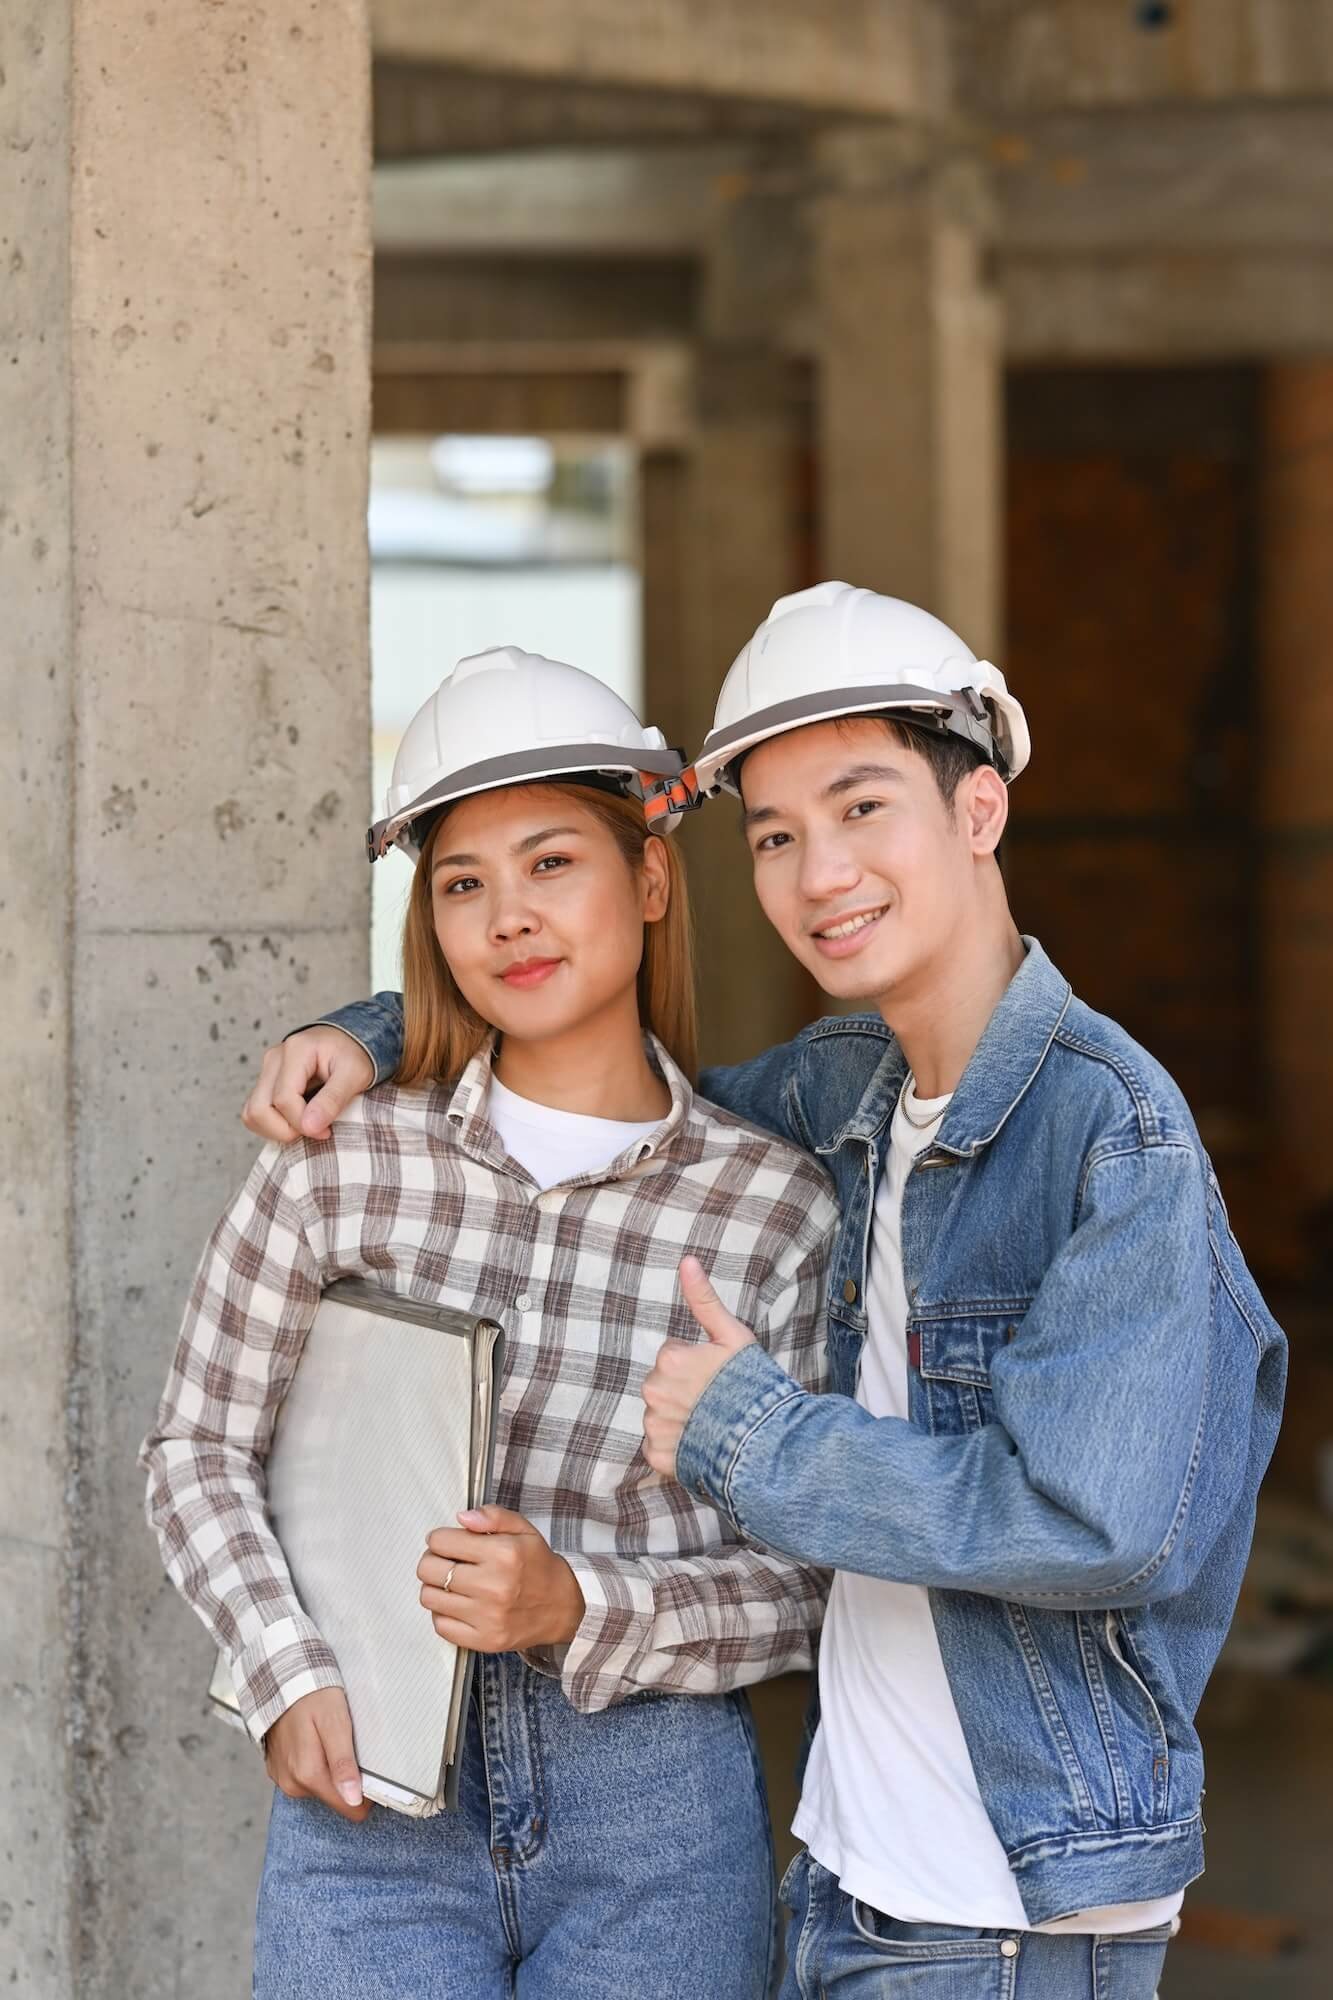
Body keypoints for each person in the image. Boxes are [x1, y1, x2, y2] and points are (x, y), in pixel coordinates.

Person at [241, 585, 1286, 2000]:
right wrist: (379, 1030)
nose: (818, 874)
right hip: (849, 1878)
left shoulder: (1111, 1141)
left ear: (978, 811)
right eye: (778, 835)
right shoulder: (846, 1088)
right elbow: (598, 1077)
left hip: (1005, 1911)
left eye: (862, 811)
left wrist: (753, 1439)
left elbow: (1094, 1525)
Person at [142, 645, 837, 2000]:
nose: (507, 917)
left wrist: (579, 1601)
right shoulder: (343, 1160)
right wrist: (286, 1674)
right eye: (462, 883)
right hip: (373, 1790)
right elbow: (195, 1447)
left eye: (551, 864)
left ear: (647, 879)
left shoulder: (774, 1211)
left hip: (655, 1810)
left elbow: (809, 1581)